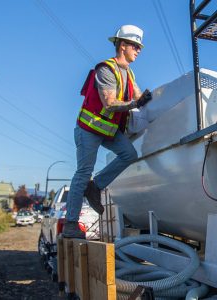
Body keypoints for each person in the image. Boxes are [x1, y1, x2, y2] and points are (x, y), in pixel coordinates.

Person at [62, 25, 153, 239]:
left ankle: (96, 186)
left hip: (108, 130)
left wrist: (150, 99)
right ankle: (71, 224)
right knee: (83, 172)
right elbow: (110, 103)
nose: (138, 50)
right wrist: (135, 103)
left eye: (139, 47)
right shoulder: (106, 68)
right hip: (89, 128)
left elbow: (139, 97)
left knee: (129, 154)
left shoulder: (129, 74)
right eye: (135, 46)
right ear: (123, 46)